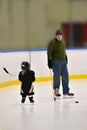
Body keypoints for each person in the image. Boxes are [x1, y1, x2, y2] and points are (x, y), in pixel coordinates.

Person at [47, 29, 74, 97]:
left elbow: (63, 49)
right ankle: (56, 90)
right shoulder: (52, 42)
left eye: (60, 36)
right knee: (57, 76)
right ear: (56, 36)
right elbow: (49, 52)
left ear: (62, 36)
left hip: (63, 61)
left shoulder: (63, 41)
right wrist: (49, 60)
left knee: (65, 76)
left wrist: (65, 56)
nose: (59, 37)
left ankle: (66, 91)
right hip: (56, 61)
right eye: (58, 36)